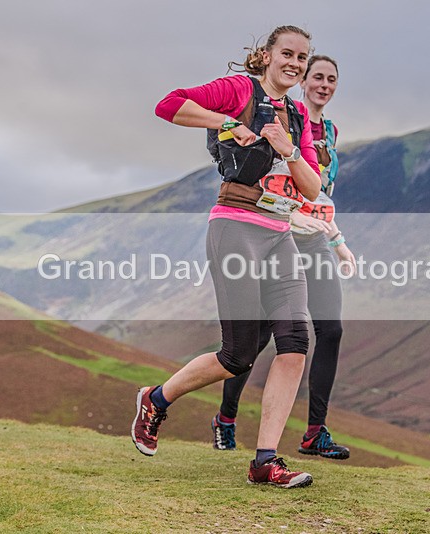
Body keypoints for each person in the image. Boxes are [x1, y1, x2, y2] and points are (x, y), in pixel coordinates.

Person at [132, 25, 322, 489]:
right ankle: (156, 399)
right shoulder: (239, 89)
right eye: (287, 54)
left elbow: (313, 188)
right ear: (267, 55)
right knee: (237, 356)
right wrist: (228, 123)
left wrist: (289, 150)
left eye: (302, 57)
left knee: (296, 341)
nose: (295, 64)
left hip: (280, 234)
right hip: (236, 228)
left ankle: (265, 461)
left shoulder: (298, 114)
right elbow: (169, 104)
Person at [210, 55, 356, 460]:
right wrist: (293, 217)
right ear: (302, 81)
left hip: (317, 237)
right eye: (317, 77)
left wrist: (336, 237)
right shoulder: (280, 117)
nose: (324, 85)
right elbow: (269, 179)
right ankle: (226, 419)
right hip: (276, 232)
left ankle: (314, 432)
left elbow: (320, 189)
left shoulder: (328, 130)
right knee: (255, 339)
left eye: (332, 79)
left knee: (331, 330)